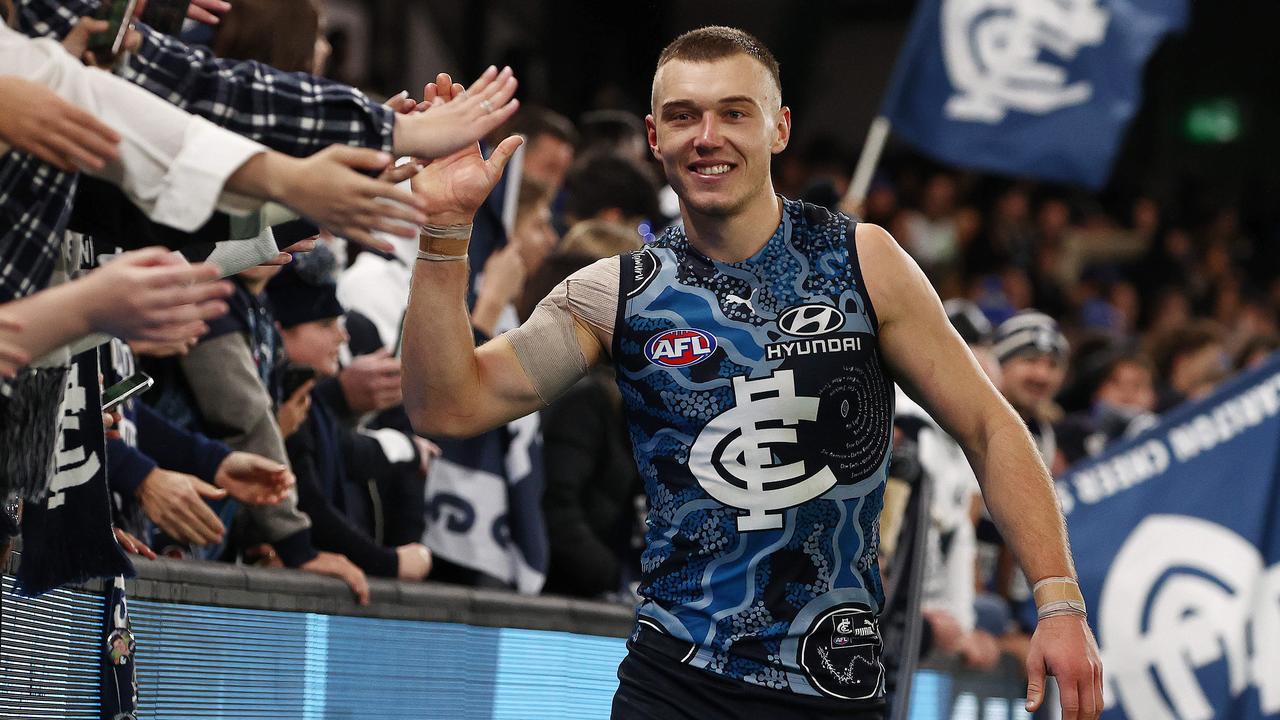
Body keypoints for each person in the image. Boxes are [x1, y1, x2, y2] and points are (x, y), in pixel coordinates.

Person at [401, 26, 1101, 720]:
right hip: (675, 682)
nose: (707, 136)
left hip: (833, 688)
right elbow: (449, 408)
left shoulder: (866, 262)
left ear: (780, 129)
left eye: (734, 112)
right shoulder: (615, 293)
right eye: (683, 116)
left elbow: (988, 427)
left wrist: (1059, 599)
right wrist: (442, 232)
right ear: (654, 137)